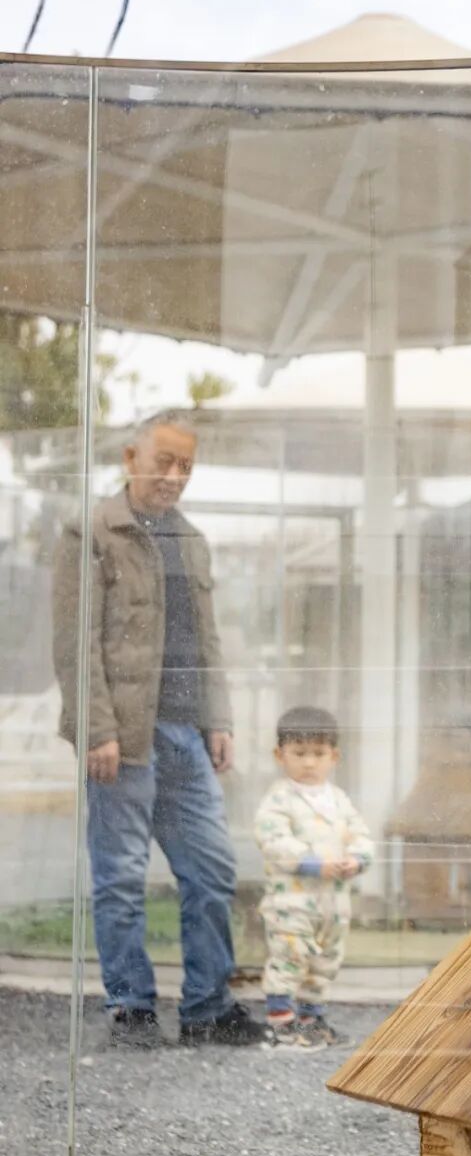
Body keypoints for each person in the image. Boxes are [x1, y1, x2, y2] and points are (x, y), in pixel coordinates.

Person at [52, 409, 266, 1049]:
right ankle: (132, 1009)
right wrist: (96, 729)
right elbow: (74, 643)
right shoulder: (91, 530)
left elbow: (208, 640)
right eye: (164, 462)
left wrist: (217, 718)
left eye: (186, 466)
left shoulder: (191, 539)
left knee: (213, 869)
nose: (174, 476)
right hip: (122, 737)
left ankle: (206, 1009)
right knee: (120, 877)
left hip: (186, 736)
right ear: (130, 458)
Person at [253, 706, 375, 1048]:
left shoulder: (339, 800)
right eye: (299, 753)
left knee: (325, 960)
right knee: (290, 956)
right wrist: (310, 862)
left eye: (318, 754)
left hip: (333, 903)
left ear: (334, 756)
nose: (309, 763)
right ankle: (281, 1022)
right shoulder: (279, 799)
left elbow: (360, 835)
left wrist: (356, 859)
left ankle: (311, 1019)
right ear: (280, 755)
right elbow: (272, 839)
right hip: (292, 900)